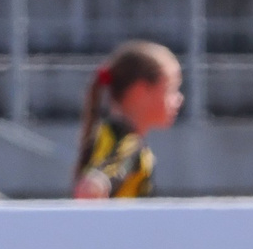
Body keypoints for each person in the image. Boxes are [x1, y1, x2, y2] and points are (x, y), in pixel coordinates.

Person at [71, 40, 183, 199]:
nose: (179, 99)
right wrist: (99, 182)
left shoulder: (116, 135)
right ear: (140, 92)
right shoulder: (127, 143)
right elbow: (112, 169)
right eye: (171, 89)